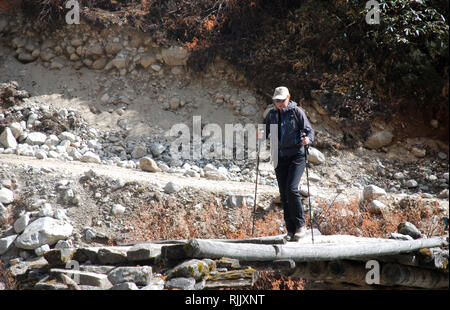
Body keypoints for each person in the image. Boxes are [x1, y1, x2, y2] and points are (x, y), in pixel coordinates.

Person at [258, 86, 314, 241]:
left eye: (282, 100)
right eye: (276, 100)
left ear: (288, 98)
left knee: (291, 189)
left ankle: (300, 226)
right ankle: (290, 230)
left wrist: (307, 139)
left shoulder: (297, 112)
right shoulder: (271, 115)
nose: (279, 103)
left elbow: (309, 131)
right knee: (283, 194)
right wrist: (261, 135)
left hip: (297, 155)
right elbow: (265, 132)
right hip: (279, 157)